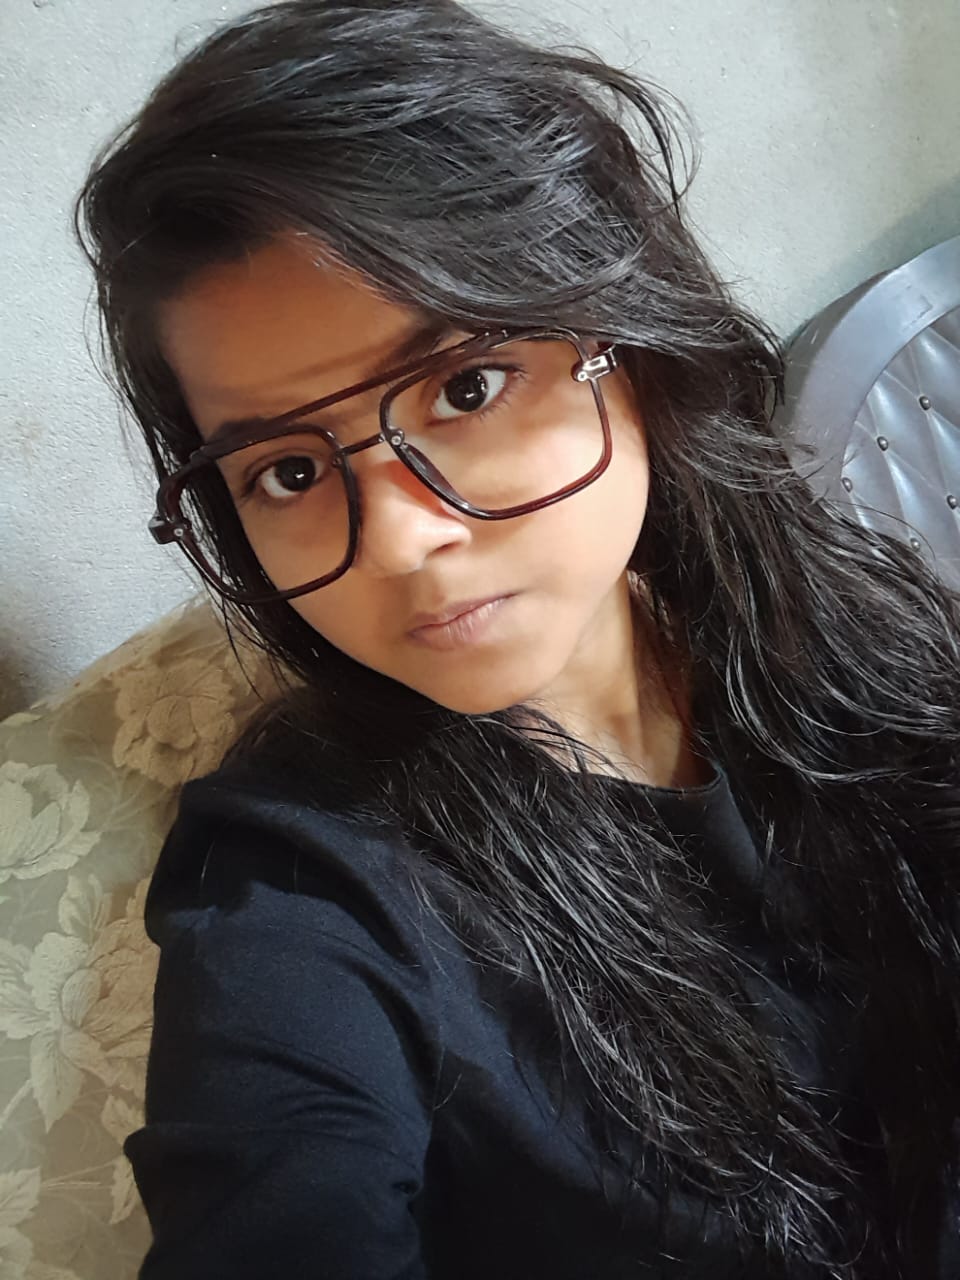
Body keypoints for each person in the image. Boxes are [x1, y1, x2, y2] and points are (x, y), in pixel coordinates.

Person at [73, 2, 960, 1276]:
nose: (395, 539)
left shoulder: (824, 609)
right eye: (286, 469)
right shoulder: (300, 887)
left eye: (466, 386)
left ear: (629, 341)